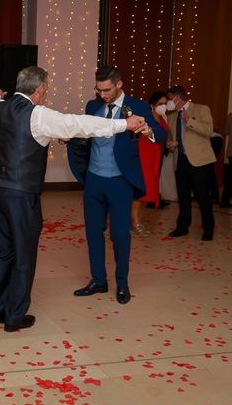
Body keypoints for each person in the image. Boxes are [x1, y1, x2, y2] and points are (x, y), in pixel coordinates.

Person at [0, 66, 147, 331]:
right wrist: (123, 124)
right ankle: (13, 317)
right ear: (38, 90)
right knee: (24, 256)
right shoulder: (38, 114)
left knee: (4, 252)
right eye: (45, 88)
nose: (46, 92)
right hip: (20, 194)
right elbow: (79, 124)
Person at [67, 65, 166, 304]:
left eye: (107, 89)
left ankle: (122, 284)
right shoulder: (93, 106)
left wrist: (147, 131)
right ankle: (98, 281)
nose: (103, 95)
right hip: (93, 179)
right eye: (99, 90)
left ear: (119, 84)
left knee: (120, 234)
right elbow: (85, 134)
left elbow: (161, 136)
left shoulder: (138, 105)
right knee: (93, 232)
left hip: (120, 181)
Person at [166, 85, 216, 241]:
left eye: (169, 99)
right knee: (183, 196)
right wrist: (170, 143)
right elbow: (171, 136)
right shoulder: (172, 116)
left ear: (177, 98)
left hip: (199, 161)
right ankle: (182, 227)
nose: (169, 102)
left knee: (202, 197)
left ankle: (208, 229)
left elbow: (209, 131)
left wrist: (190, 121)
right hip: (180, 159)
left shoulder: (201, 109)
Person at [131, 91, 169, 235]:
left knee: (150, 192)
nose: (163, 106)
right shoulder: (146, 117)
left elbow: (162, 137)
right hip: (144, 156)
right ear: (152, 106)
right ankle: (135, 223)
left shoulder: (163, 120)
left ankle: (138, 221)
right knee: (141, 191)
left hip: (155, 157)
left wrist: (168, 144)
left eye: (165, 103)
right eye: (160, 104)